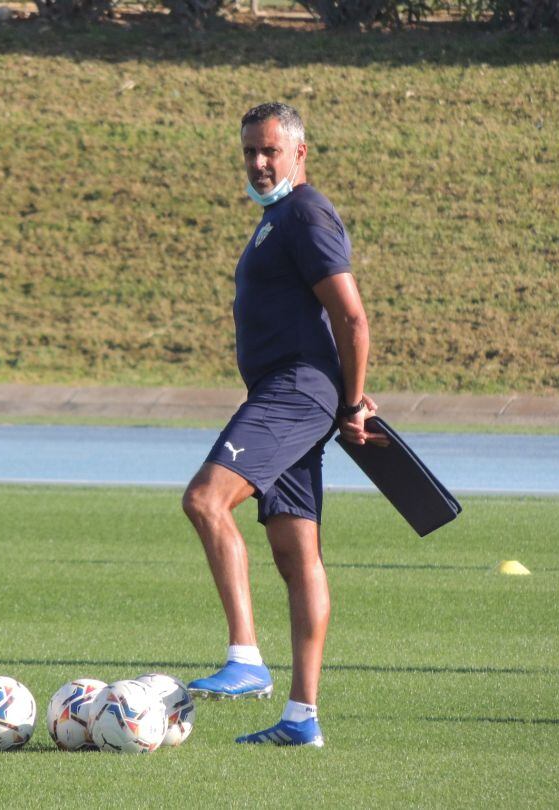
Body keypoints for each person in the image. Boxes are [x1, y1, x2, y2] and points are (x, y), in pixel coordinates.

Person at [182, 102, 386, 748]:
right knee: (298, 558)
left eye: (271, 151)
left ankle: (245, 658)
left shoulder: (304, 213)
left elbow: (353, 319)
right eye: (249, 152)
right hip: (291, 393)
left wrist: (352, 404)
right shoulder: (277, 219)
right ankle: (302, 718)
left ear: (300, 154)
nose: (259, 163)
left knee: (205, 500)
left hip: (293, 394)